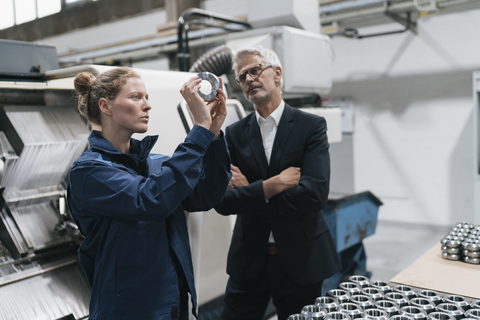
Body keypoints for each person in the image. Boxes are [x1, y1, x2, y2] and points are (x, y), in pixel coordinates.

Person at [67, 67, 232, 320]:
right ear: (105, 106)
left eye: (147, 97)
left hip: (174, 304)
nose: (147, 106)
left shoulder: (155, 163)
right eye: (136, 97)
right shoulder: (90, 170)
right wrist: (199, 128)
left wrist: (214, 135)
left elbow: (206, 195)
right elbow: (150, 199)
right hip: (129, 311)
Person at [215, 46, 341, 320]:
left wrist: (250, 190)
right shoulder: (234, 135)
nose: (249, 79)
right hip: (249, 259)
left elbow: (314, 195)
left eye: (255, 70)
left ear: (277, 74)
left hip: (301, 258)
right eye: (242, 76)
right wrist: (272, 185)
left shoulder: (311, 126)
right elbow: (222, 202)